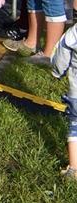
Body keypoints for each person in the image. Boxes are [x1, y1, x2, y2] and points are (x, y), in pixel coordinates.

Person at [51, 22, 77, 180]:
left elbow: (61, 54)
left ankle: (74, 169)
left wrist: (57, 72)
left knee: (75, 126)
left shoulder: (74, 32)